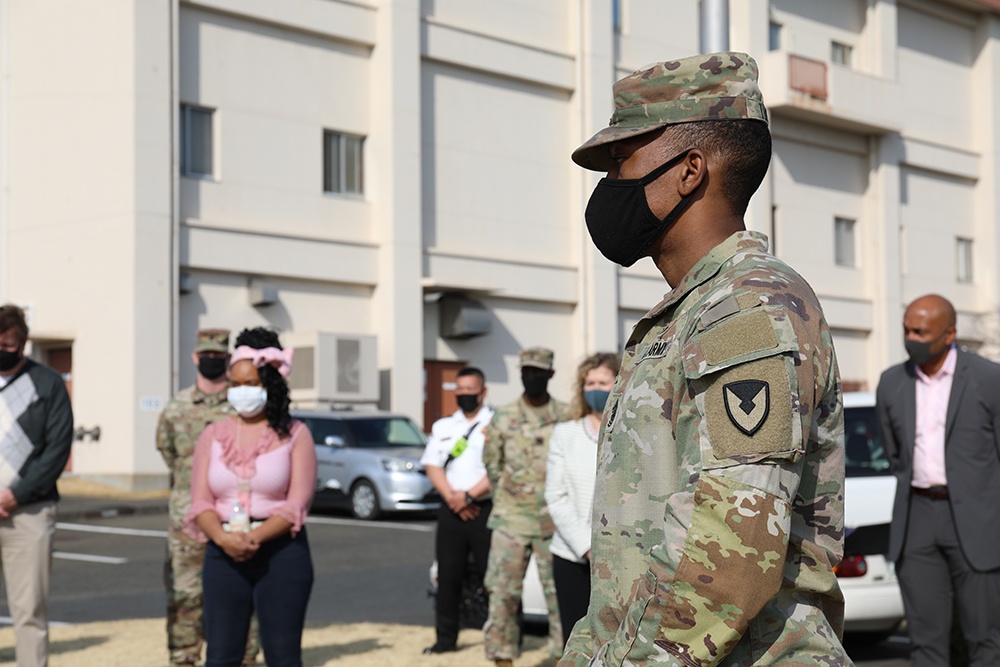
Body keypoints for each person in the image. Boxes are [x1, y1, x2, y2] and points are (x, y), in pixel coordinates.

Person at [559, 52, 850, 666]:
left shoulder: (748, 311)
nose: (610, 187)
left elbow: (729, 550)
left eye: (622, 163)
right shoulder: (689, 313)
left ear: (689, 170)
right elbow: (623, 571)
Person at [876, 294, 1000, 666]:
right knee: (925, 644)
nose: (911, 337)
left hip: (977, 523)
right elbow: (895, 453)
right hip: (917, 520)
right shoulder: (891, 383)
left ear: (949, 334)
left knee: (986, 642)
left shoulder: (988, 379)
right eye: (906, 329)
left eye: (921, 331)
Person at [185, 327, 316, 667]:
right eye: (236, 384)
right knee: (221, 655)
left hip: (282, 554)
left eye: (251, 384)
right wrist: (223, 538)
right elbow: (199, 501)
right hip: (222, 553)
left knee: (282, 654)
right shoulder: (213, 435)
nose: (242, 392)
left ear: (269, 384)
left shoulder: (296, 434)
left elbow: (296, 505)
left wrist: (253, 537)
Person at [156, 328, 259, 667]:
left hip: (235, 517)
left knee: (239, 595)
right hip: (187, 521)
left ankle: (242, 657)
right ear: (195, 357)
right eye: (206, 355)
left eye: (219, 356)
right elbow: (169, 452)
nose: (212, 361)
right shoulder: (176, 408)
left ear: (228, 360)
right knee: (185, 596)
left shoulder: (242, 403)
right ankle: (184, 657)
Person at [483, 347, 570, 666]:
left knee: (559, 598)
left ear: (551, 374)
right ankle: (501, 656)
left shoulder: (566, 415)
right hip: (511, 521)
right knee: (502, 593)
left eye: (538, 371)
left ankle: (562, 657)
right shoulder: (503, 416)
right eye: (526, 371)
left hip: (555, 522)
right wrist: (509, 498)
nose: (531, 377)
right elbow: (493, 465)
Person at [0, 304, 73, 667]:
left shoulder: (47, 384)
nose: (1, 350)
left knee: (29, 611)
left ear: (23, 344)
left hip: (28, 512)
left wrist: (16, 494)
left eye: (8, 344)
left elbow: (58, 447)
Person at [544, 352, 619, 650]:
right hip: (572, 556)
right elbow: (555, 495)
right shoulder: (565, 434)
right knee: (576, 643)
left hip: (619, 559)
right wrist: (587, 546)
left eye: (603, 382)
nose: (596, 388)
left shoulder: (633, 432)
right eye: (590, 382)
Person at [419, 366, 494, 655]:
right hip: (451, 509)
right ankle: (445, 640)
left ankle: (501, 638)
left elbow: (498, 468)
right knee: (448, 577)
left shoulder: (496, 423)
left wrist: (469, 497)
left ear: (483, 392)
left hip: (484, 508)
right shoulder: (443, 426)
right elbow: (432, 464)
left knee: (494, 577)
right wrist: (454, 498)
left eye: (470, 390)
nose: (464, 395)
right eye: (459, 390)